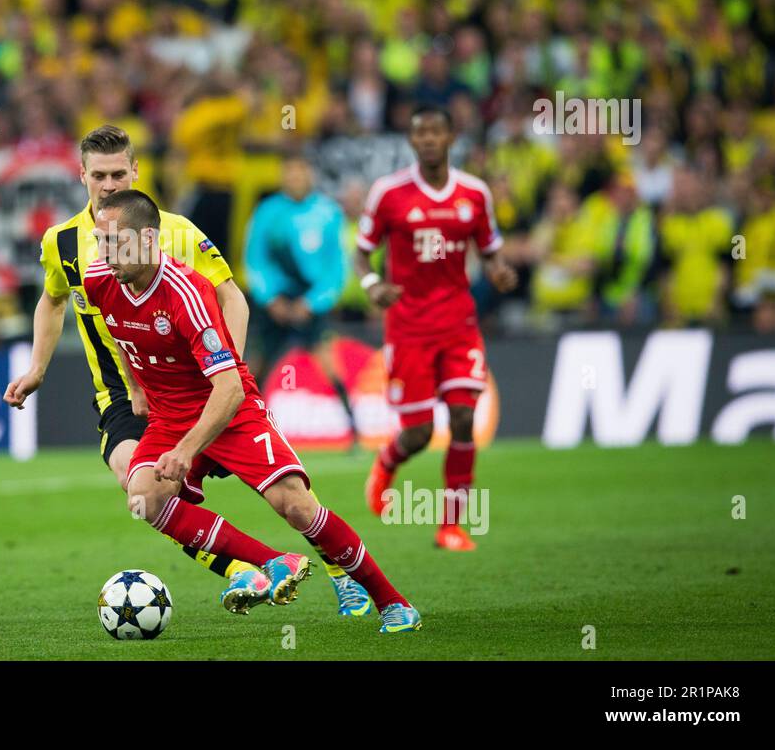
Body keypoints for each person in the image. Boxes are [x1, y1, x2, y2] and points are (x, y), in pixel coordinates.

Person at [4, 125, 374, 616]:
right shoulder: (64, 242)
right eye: (99, 176)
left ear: (136, 171)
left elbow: (231, 295)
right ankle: (246, 567)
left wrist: (231, 374)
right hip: (120, 393)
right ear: (82, 176)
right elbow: (51, 302)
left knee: (287, 494)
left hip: (196, 385)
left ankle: (334, 565)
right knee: (142, 491)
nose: (110, 184)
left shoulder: (173, 230)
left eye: (119, 173)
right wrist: (36, 367)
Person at [82, 189, 420, 632]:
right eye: (100, 241)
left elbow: (229, 389)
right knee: (144, 497)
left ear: (147, 238)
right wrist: (137, 387)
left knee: (296, 506)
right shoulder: (99, 280)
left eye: (114, 241)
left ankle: (392, 602)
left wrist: (186, 450)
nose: (105, 253)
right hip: (170, 415)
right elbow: (119, 333)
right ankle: (273, 560)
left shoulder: (187, 294)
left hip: (229, 409)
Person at [357, 105, 518, 551]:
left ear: (450, 138)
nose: (428, 139)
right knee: (420, 433)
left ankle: (451, 525)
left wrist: (500, 272)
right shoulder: (388, 194)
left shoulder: (475, 194)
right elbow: (362, 252)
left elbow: (490, 251)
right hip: (408, 327)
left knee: (464, 417)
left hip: (459, 324)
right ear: (412, 141)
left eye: (436, 132)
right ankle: (386, 464)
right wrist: (372, 284)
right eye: (420, 132)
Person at [243, 152, 356, 440]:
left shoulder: (328, 213)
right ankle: (242, 428)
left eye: (299, 172)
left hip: (311, 302)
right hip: (275, 303)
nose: (294, 179)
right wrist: (271, 299)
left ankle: (354, 430)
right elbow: (255, 259)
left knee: (329, 364)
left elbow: (338, 267)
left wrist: (314, 302)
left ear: (310, 175)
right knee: (257, 366)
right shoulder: (268, 212)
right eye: (289, 173)